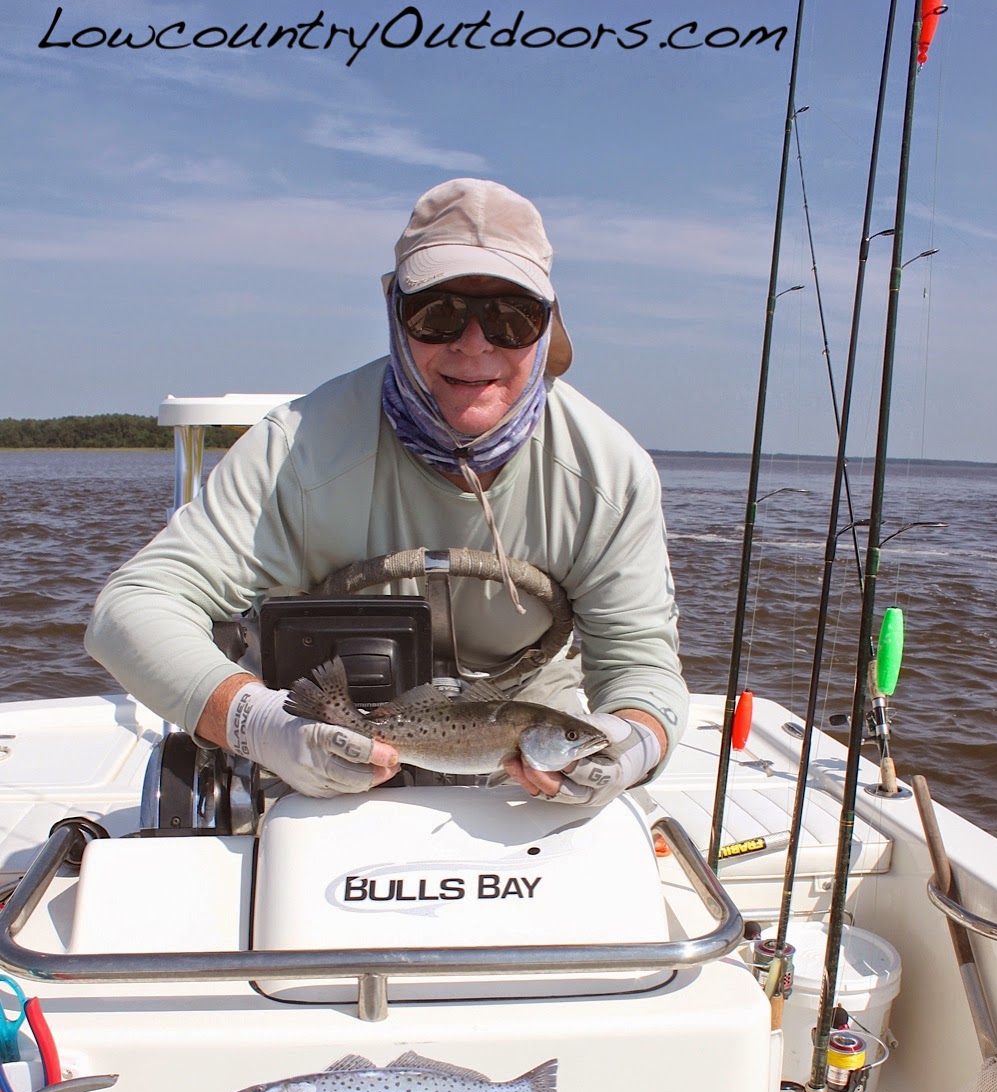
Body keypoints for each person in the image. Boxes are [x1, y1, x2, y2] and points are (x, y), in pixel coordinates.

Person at [86, 178, 688, 807]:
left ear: (547, 328)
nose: (474, 343)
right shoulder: (297, 450)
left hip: (535, 763)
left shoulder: (610, 473)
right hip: (321, 742)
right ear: (394, 313)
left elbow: (643, 669)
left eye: (512, 317)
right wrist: (260, 726)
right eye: (438, 312)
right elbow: (131, 608)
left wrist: (627, 751)